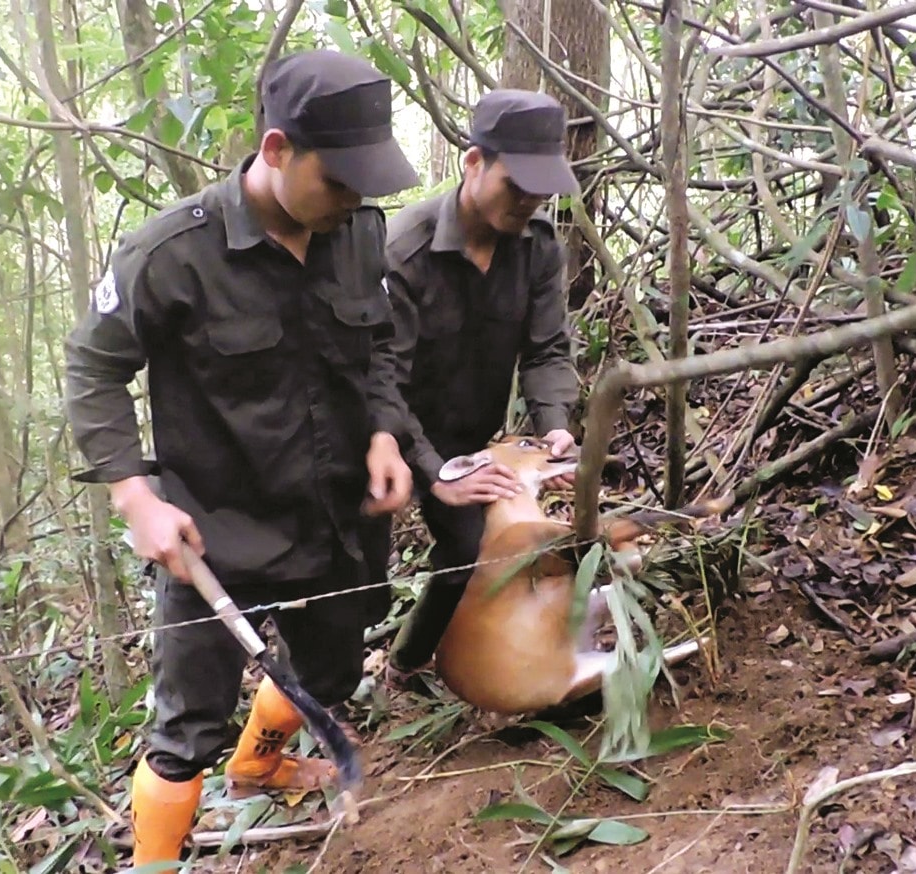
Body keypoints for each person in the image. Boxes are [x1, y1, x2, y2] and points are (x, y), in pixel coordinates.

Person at [62, 49, 420, 867]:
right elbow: (91, 371)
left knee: (328, 668)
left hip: (339, 517)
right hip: (215, 527)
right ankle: (156, 859)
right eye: (339, 181)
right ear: (275, 150)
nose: (354, 201)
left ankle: (259, 765)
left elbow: (382, 353)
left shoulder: (359, 234)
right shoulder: (168, 255)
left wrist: (383, 432)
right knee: (185, 726)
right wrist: (134, 498)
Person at [370, 89, 581, 691]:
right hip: (380, 432)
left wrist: (555, 425)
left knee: (468, 553)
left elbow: (546, 348)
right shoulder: (402, 254)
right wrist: (435, 471)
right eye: (517, 185)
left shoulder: (538, 249)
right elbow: (382, 380)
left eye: (542, 189)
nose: (530, 201)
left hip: (467, 432)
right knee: (354, 587)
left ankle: (409, 665)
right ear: (473, 163)